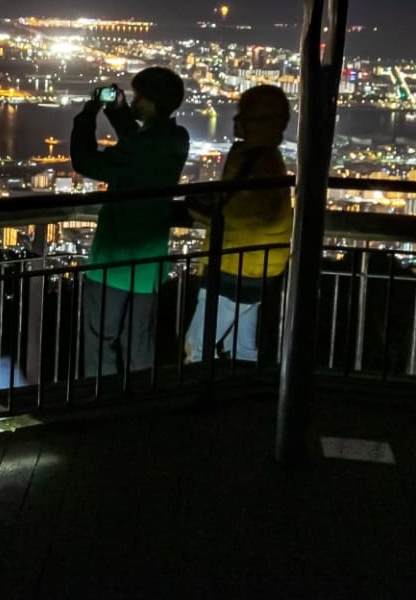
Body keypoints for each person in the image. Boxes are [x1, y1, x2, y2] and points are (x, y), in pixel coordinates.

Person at [70, 66, 190, 376]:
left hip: (113, 257)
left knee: (101, 342)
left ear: (151, 101)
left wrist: (88, 114)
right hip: (150, 262)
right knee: (140, 344)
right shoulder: (178, 138)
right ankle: (139, 405)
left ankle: (102, 404)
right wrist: (119, 111)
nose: (136, 102)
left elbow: (86, 161)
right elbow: (141, 140)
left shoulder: (142, 145)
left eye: (139, 98)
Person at [185, 85, 292, 363]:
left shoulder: (252, 159)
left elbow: (235, 212)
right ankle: (244, 399)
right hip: (263, 265)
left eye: (244, 115)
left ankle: (196, 401)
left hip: (233, 265)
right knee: (241, 348)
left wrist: (198, 210)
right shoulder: (270, 158)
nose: (236, 121)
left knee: (196, 348)